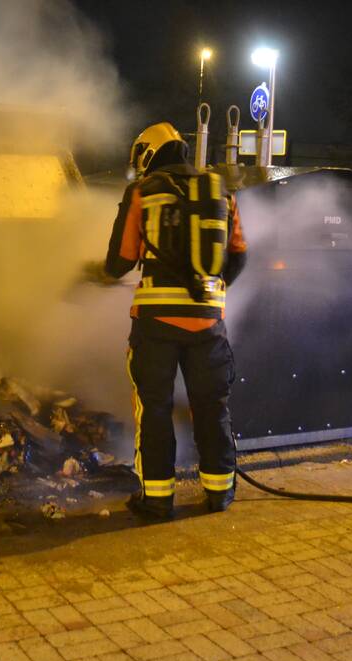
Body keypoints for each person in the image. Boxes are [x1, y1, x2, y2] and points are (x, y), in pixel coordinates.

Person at [104, 122, 247, 519]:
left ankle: (157, 500)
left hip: (156, 327)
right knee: (212, 407)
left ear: (147, 154)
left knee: (154, 411)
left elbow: (119, 261)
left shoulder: (142, 193)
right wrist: (208, 295)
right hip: (208, 326)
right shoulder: (220, 192)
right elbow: (238, 256)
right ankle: (219, 494)